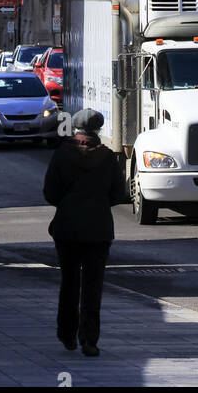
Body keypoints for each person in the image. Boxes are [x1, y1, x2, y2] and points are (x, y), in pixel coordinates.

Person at [43, 108, 125, 356]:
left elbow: (50, 193)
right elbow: (118, 194)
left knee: (69, 282)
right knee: (93, 286)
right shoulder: (108, 158)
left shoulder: (61, 155)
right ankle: (89, 339)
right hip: (98, 230)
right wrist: (97, 203)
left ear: (75, 129)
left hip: (67, 229)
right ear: (98, 131)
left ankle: (67, 334)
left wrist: (68, 204)